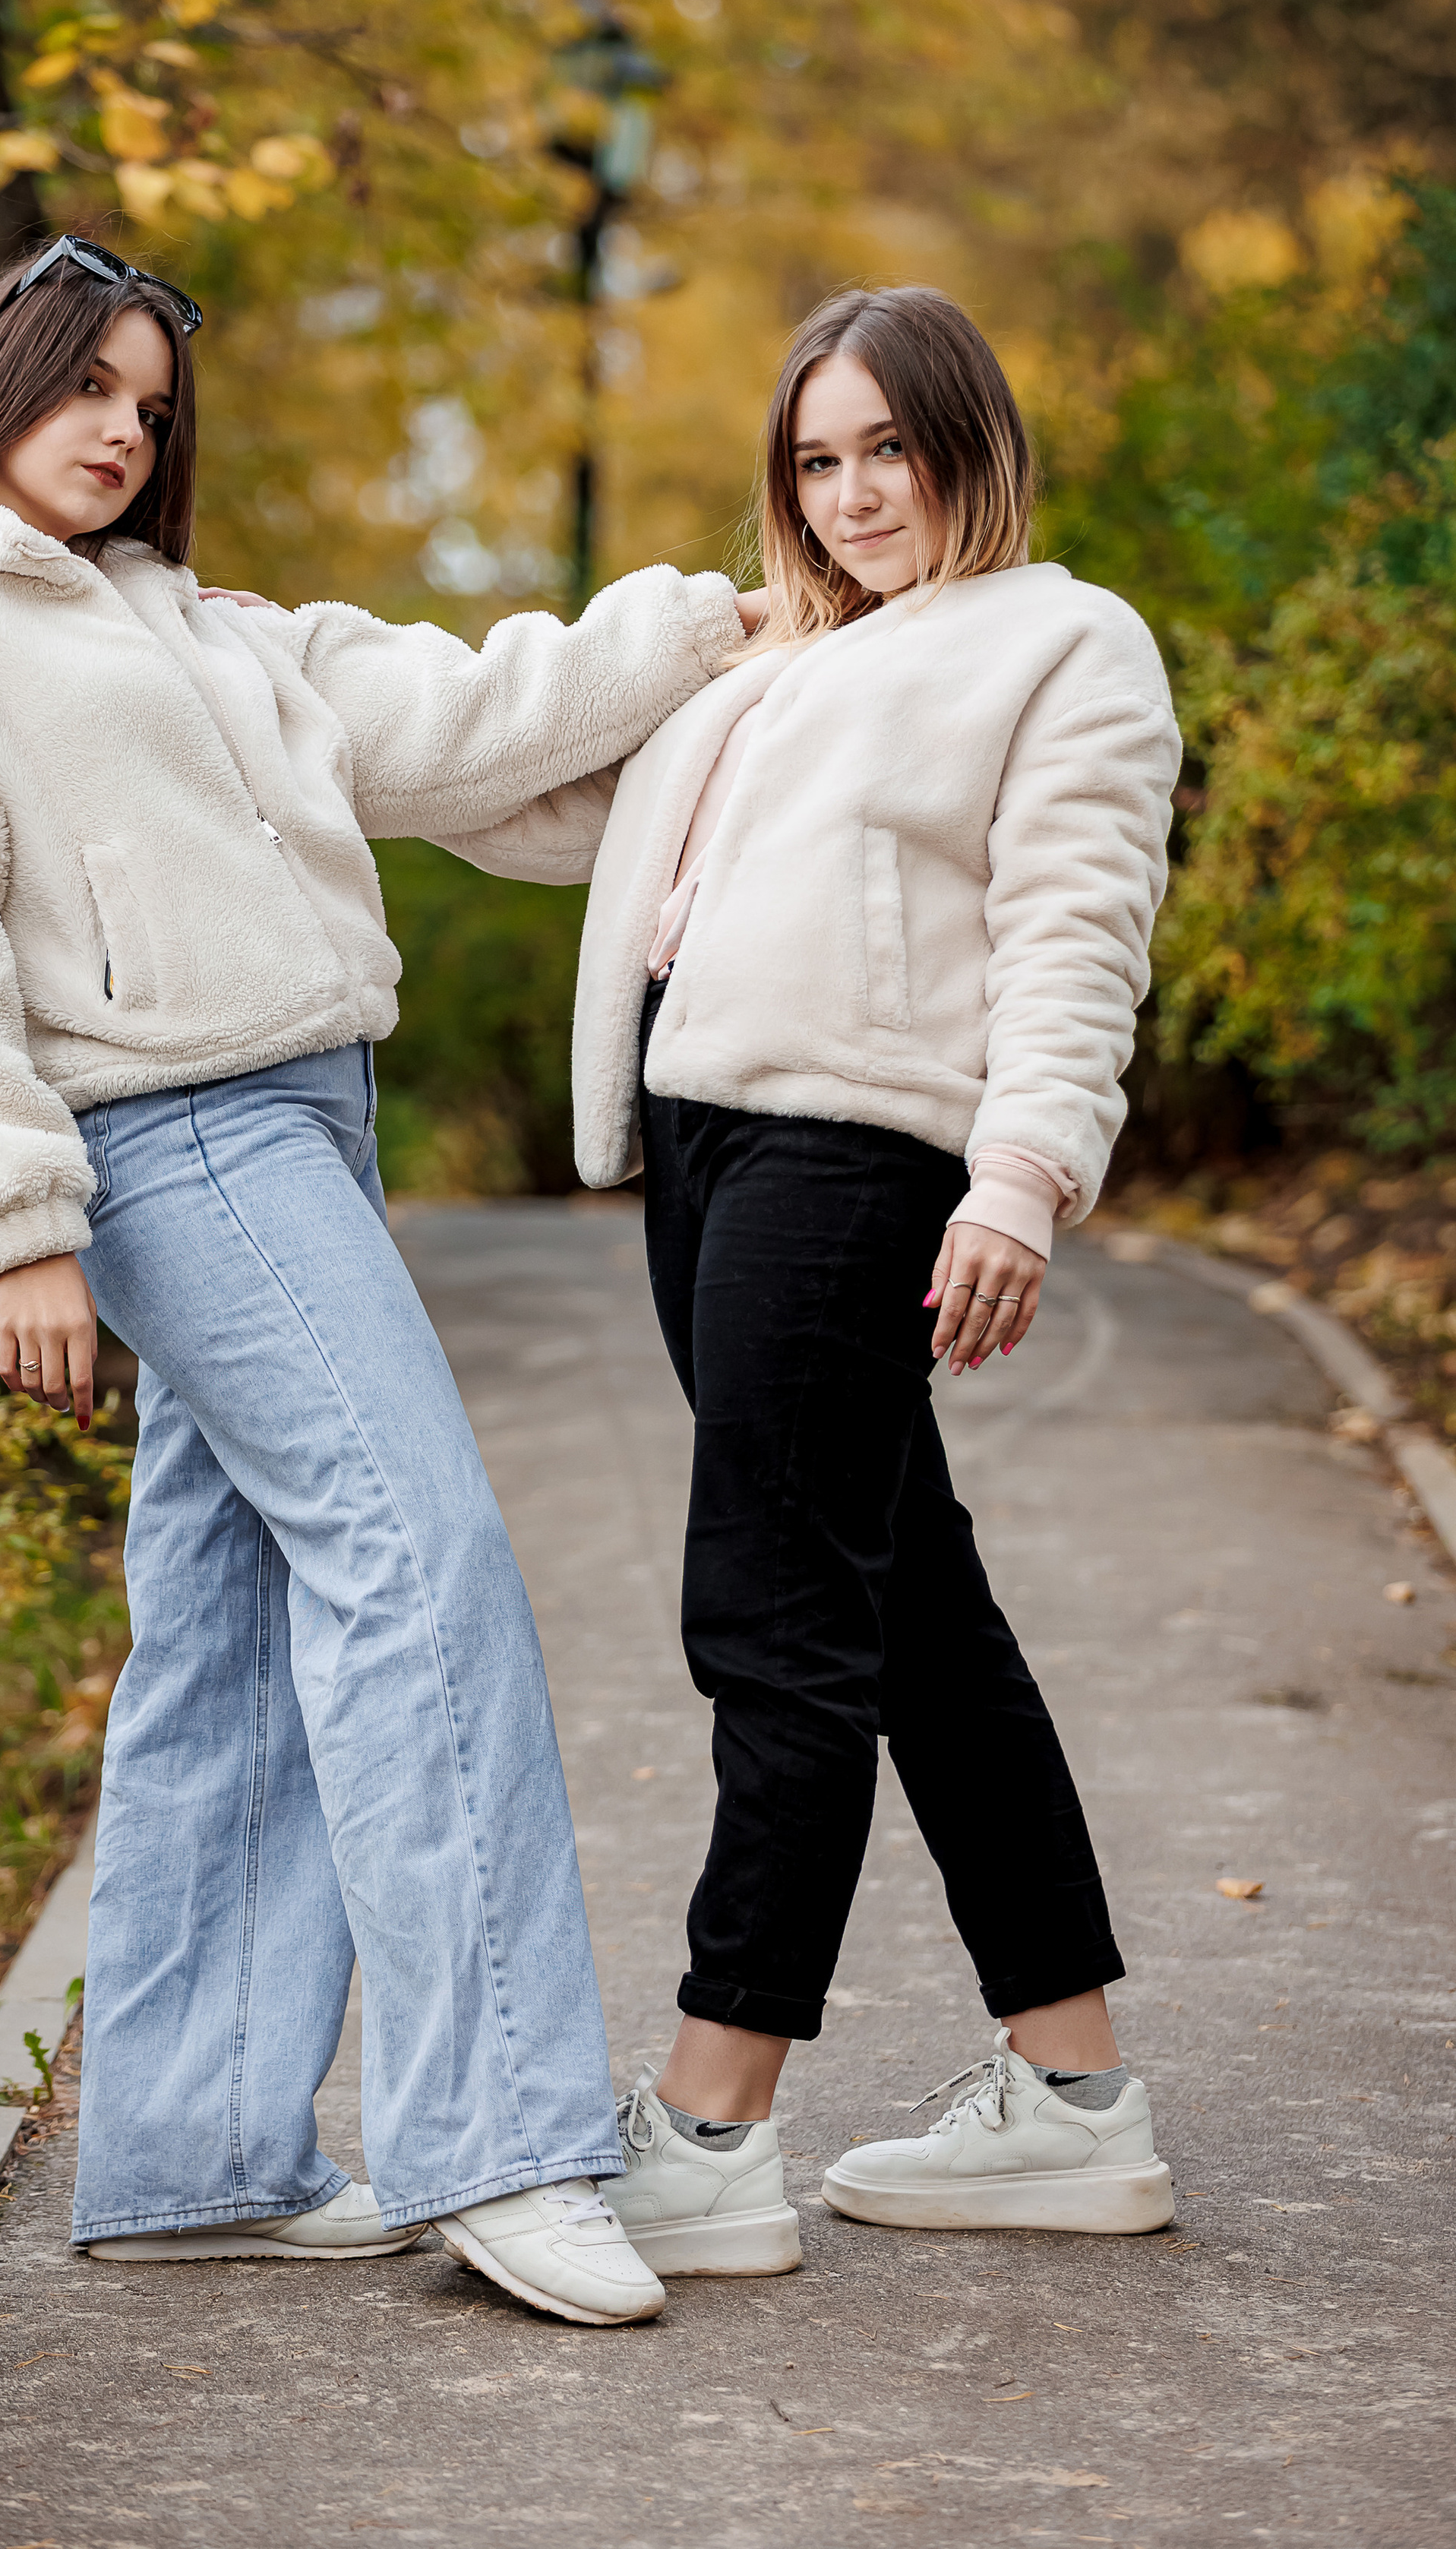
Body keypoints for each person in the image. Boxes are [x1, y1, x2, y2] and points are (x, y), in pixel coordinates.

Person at [0, 234, 761, 2328]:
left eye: (152, 403)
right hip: (169, 1135)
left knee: (233, 1629)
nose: (125, 430)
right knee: (421, 1566)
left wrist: (721, 636)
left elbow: (471, 713)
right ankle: (497, 2139)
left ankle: (197, 2149)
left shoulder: (204, 624)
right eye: (88, 389)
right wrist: (11, 1215)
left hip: (303, 1117)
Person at [484, 284, 1182, 2269]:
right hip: (707, 1153)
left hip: (860, 1154)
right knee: (917, 1623)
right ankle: (1073, 2097)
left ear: (971, 443)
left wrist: (1020, 1185)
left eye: (894, 446)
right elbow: (542, 806)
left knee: (773, 1617)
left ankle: (710, 2135)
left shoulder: (1064, 641)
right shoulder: (780, 658)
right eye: (819, 457)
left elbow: (1075, 928)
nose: (857, 490)